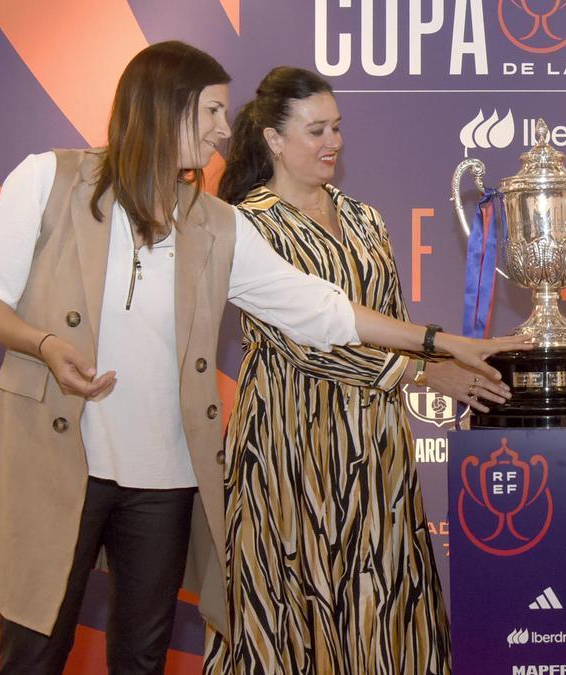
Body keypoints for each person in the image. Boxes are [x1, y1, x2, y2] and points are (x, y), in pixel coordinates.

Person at [0, 42, 521, 674]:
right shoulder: (49, 179)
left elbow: (317, 308)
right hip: (58, 461)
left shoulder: (215, 222)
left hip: (164, 478)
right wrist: (46, 345)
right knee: (35, 653)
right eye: (213, 111)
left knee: (141, 657)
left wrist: (439, 341)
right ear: (165, 108)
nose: (226, 129)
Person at [202, 66, 501, 674]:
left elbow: (393, 319)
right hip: (289, 446)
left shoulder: (364, 217)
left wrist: (446, 363)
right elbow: (304, 340)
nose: (332, 141)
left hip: (376, 446)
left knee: (385, 597)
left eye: (337, 127)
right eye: (316, 130)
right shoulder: (247, 224)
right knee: (291, 606)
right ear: (273, 140)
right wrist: (425, 373)